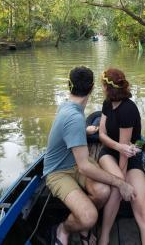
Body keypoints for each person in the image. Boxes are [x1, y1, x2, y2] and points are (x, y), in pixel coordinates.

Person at [43, 66, 136, 245]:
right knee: (89, 217)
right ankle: (63, 228)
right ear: (92, 88)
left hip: (74, 163)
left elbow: (69, 131)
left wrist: (83, 131)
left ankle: (83, 228)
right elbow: (85, 166)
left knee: (102, 192)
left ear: (69, 85)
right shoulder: (74, 117)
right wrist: (121, 183)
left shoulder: (69, 107)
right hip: (58, 172)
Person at [98, 68, 145, 245]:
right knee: (118, 185)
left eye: (102, 85)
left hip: (130, 157)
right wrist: (123, 183)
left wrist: (124, 181)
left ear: (106, 86)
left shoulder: (128, 110)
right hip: (109, 153)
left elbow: (125, 154)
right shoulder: (107, 103)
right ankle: (104, 235)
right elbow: (102, 135)